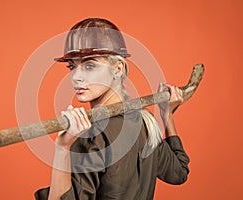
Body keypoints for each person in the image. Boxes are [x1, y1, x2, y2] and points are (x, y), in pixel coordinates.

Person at [35, 18, 190, 200]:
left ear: (118, 68)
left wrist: (62, 148)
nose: (76, 76)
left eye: (89, 65)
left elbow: (177, 173)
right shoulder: (146, 123)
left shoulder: (91, 135)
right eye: (72, 66)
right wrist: (167, 115)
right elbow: (180, 173)